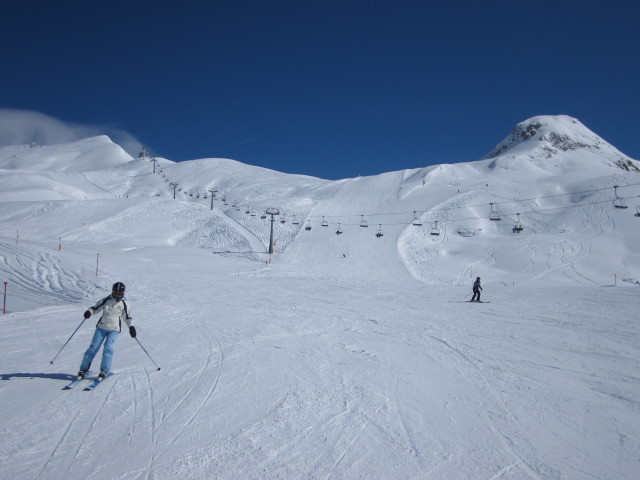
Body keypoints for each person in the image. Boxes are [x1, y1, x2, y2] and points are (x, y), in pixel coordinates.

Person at [77, 282, 136, 381]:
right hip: (101, 327)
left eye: (119, 293)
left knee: (108, 348)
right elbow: (95, 308)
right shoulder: (106, 300)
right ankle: (83, 369)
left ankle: (104, 370)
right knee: (93, 347)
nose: (117, 295)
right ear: (112, 291)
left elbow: (128, 318)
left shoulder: (124, 304)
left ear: (123, 293)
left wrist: (131, 327)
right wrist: (89, 312)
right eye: (115, 292)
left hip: (114, 329)